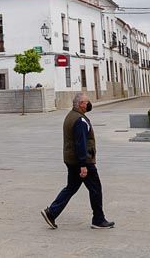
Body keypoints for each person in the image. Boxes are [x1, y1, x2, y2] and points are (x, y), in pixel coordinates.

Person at [41, 92, 115, 230]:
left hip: (72, 160)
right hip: (82, 161)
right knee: (95, 188)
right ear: (80, 104)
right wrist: (83, 165)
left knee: (71, 187)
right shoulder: (79, 121)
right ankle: (98, 219)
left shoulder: (71, 116)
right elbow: (80, 143)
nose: (89, 104)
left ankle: (51, 212)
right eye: (87, 102)